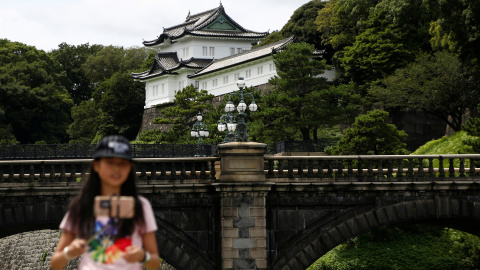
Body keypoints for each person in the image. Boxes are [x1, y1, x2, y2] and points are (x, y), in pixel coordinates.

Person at [50, 135, 161, 270]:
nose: (116, 169)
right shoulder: (82, 204)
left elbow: (155, 263)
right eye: (110, 162)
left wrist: (143, 256)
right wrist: (68, 253)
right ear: (96, 165)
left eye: (122, 163)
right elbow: (55, 264)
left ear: (130, 167)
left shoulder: (141, 206)